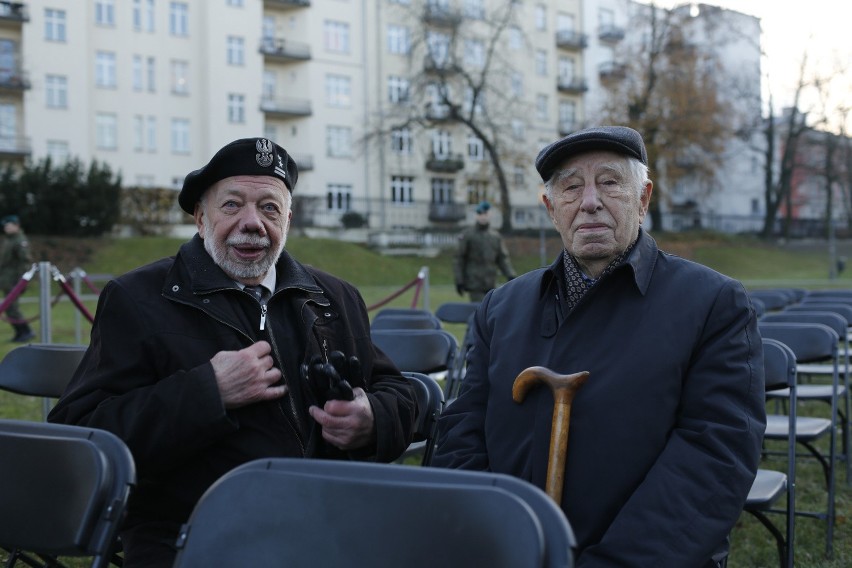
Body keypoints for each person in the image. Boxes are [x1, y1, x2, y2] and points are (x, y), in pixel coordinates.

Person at [48, 138, 417, 567]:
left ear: (289, 219)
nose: (253, 223)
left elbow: (398, 390)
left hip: (328, 522)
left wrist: (372, 417)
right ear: (201, 217)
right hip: (192, 531)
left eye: (269, 208)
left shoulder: (334, 297)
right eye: (232, 205)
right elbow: (80, 434)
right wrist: (209, 391)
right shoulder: (137, 299)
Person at [433, 126, 766, 567]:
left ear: (643, 199)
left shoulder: (712, 303)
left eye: (609, 182)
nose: (590, 201)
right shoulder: (500, 307)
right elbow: (462, 433)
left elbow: (714, 458)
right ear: (552, 208)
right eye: (571, 187)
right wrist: (492, 541)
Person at [453, 201, 516, 302]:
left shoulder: (495, 236)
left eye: (485, 214)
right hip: (474, 283)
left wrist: (510, 274)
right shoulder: (468, 235)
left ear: (489, 215)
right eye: (480, 214)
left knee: (491, 311)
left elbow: (502, 258)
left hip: (491, 282)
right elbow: (459, 258)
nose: (483, 217)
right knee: (479, 309)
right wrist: (459, 281)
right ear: (476, 215)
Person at [0, 214, 35, 342]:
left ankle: (26, 331)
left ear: (16, 226)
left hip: (15, 280)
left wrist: (21, 281)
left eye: (9, 225)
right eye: (5, 226)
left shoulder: (20, 241)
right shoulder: (9, 240)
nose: (6, 228)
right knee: (9, 308)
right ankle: (19, 332)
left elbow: (24, 262)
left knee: (12, 308)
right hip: (7, 280)